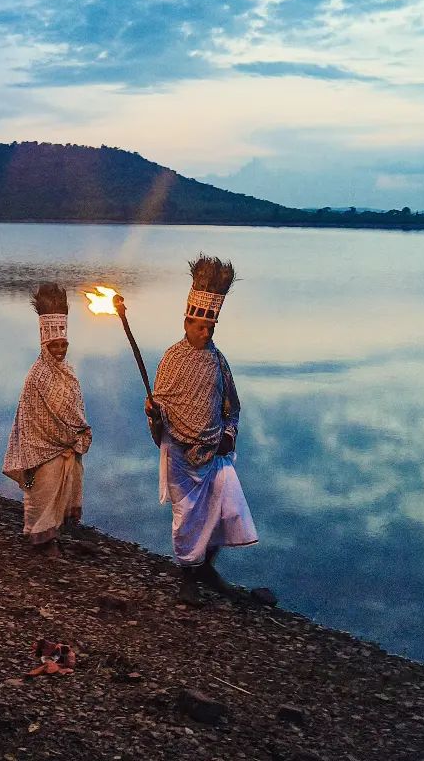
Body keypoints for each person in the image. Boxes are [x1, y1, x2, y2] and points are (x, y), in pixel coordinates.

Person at [145, 255, 257, 605]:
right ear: (186, 321)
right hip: (179, 451)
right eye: (199, 326)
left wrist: (228, 435)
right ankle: (188, 576)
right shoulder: (172, 358)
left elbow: (232, 408)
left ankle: (207, 567)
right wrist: (154, 414)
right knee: (187, 516)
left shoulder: (219, 361)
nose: (205, 332)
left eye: (211, 327)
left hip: (214, 452)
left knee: (227, 508)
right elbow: (161, 407)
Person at [1, 283, 91, 556]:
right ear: (45, 343)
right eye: (55, 345)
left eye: (64, 344)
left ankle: (54, 534)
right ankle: (41, 538)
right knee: (43, 489)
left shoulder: (69, 372)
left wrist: (78, 433)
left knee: (61, 490)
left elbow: (75, 408)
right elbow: (34, 420)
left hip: (65, 445)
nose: (61, 350)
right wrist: (64, 437)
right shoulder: (36, 377)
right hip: (41, 448)